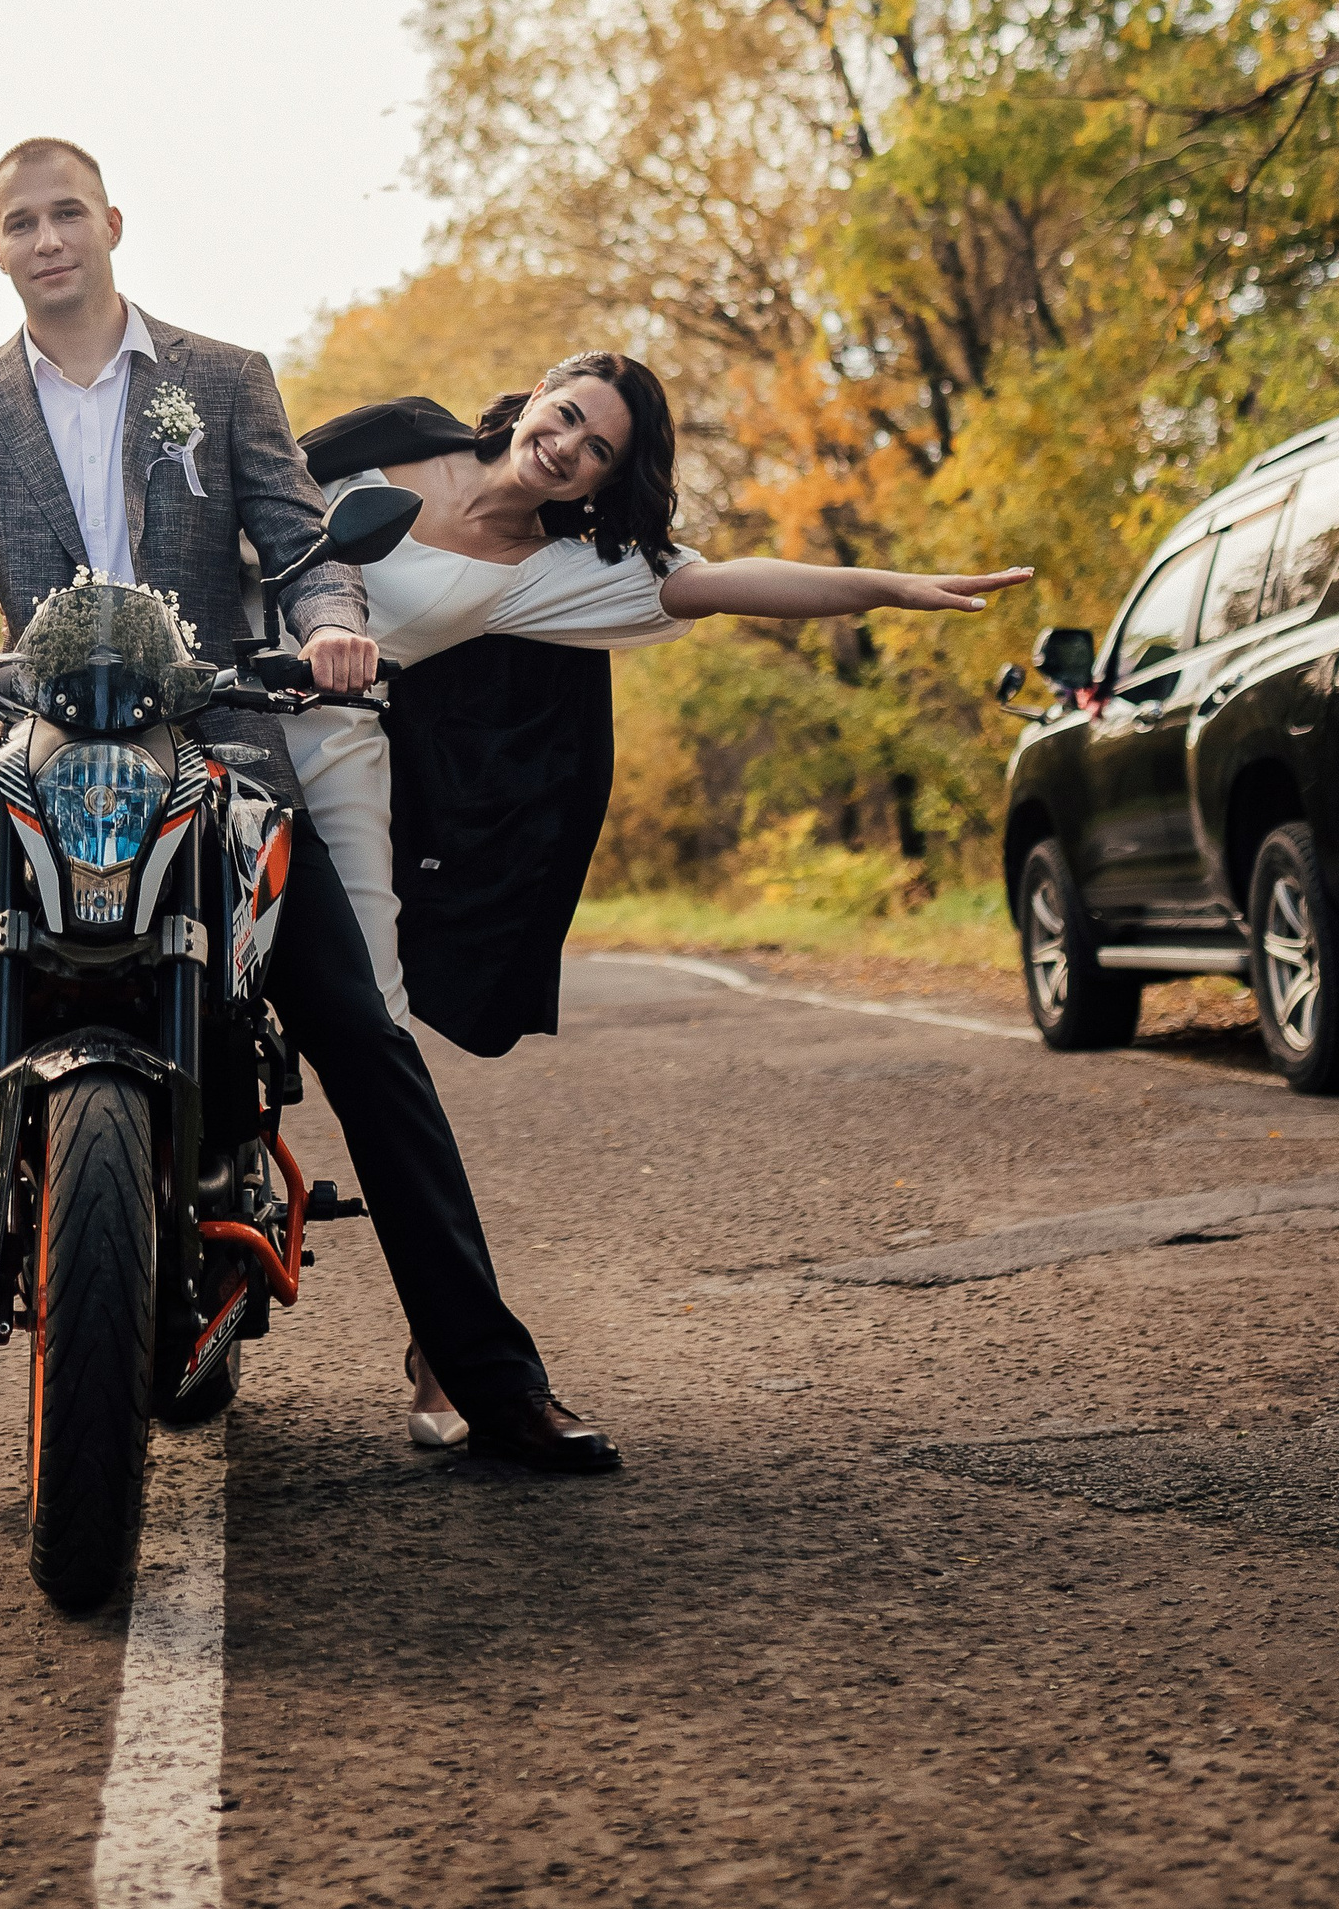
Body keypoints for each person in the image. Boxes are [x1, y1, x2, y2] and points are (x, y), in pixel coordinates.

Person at [0, 140, 621, 1542]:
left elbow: (301, 540)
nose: (47, 240)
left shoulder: (222, 378)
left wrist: (333, 621)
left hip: (218, 744)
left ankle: (496, 1380)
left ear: (111, 223)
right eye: (18, 223)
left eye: (65, 215)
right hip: (24, 756)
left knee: (363, 1035)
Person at [285, 355, 1030, 1447]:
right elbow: (246, 492)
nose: (570, 448)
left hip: (338, 751)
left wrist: (889, 587)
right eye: (571, 417)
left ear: (600, 480)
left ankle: (453, 1351)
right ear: (538, 391)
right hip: (196, 702)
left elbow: (725, 580)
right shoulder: (393, 432)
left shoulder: (556, 570)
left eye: (598, 452)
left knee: (375, 1036)